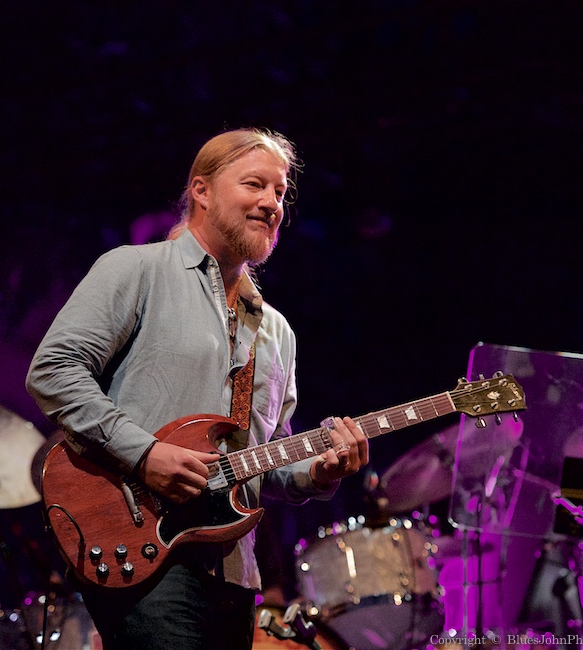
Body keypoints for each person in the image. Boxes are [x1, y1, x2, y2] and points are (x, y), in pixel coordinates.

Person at [26, 127, 369, 649]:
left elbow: (265, 459)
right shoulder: (135, 270)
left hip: (237, 572)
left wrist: (320, 471)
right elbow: (53, 371)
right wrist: (145, 454)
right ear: (201, 191)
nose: (271, 203)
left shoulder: (277, 332)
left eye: (279, 192)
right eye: (254, 184)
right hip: (141, 550)